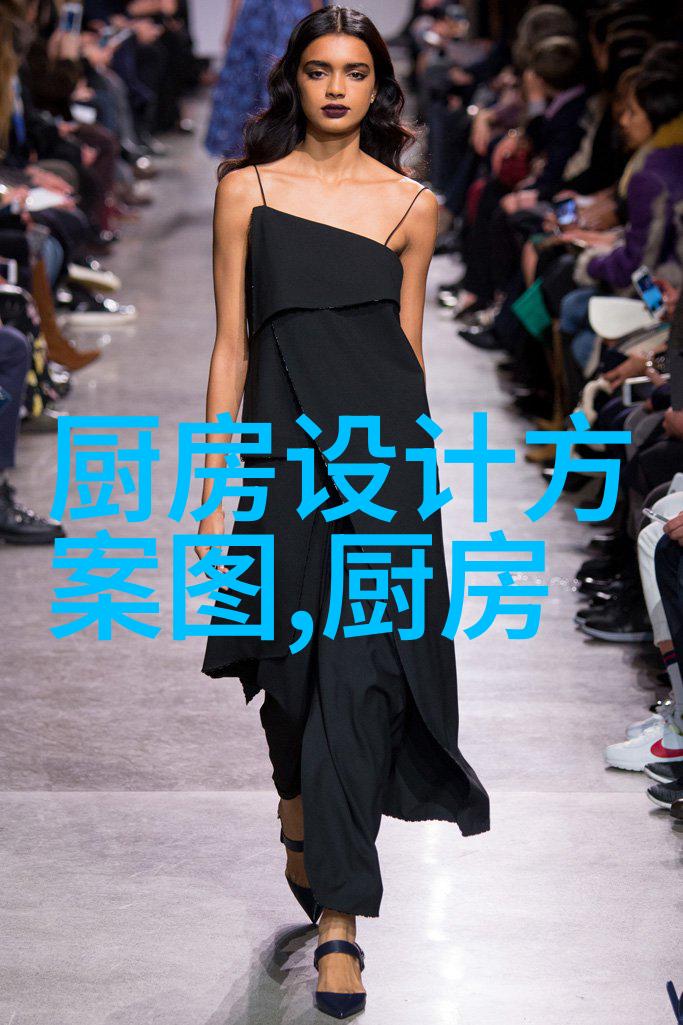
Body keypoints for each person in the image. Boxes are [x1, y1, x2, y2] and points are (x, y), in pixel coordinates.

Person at [194, 6, 490, 1018]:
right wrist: (216, 473)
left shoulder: (412, 206)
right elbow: (231, 343)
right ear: (295, 80)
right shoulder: (247, 191)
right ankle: (297, 809)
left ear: (377, 87)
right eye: (319, 70)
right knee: (287, 679)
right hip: (282, 460)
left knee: (360, 682)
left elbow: (407, 353)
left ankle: (340, 928)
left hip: (381, 469)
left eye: (354, 72)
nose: (334, 88)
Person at [203, 0, 328, 159]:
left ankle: (278, 153)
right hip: (262, 15)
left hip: (280, 15)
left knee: (282, 79)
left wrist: (318, 19)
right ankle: (249, 155)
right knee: (253, 82)